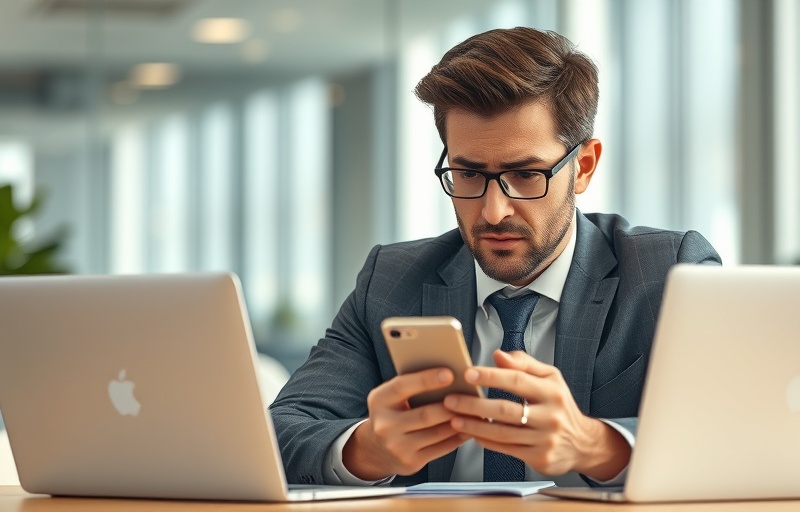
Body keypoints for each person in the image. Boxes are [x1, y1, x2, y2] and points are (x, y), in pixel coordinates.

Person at [269, 26, 721, 487]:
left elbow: (729, 436)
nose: (493, 211)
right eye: (467, 174)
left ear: (583, 166)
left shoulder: (667, 273)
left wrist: (593, 444)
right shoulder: (391, 280)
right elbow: (279, 432)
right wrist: (367, 448)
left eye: (525, 174)